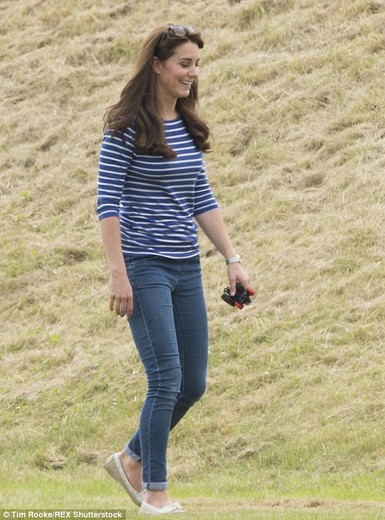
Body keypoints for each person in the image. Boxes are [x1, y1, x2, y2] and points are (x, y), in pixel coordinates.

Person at [97, 24, 252, 515]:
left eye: (197, 64)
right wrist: (118, 275)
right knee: (165, 378)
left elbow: (201, 198)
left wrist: (233, 258)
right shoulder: (125, 127)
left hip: (186, 266)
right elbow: (107, 206)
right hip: (143, 267)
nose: (192, 73)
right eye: (184, 63)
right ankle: (155, 493)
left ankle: (132, 457)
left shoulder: (185, 125)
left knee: (193, 383)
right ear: (159, 65)